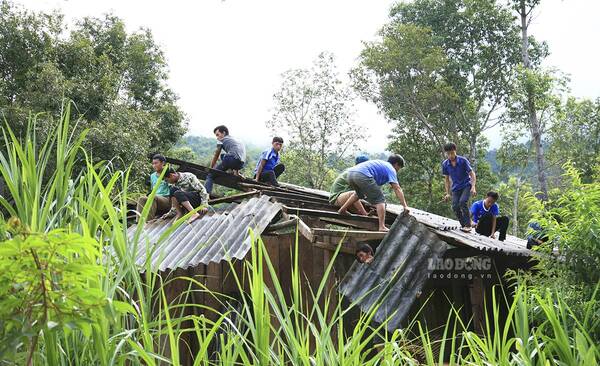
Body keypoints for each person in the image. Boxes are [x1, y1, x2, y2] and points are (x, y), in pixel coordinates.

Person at [338, 155, 409, 232]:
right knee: (380, 200)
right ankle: (382, 226)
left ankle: (343, 209)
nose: (398, 170)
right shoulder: (391, 169)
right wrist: (405, 206)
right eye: (399, 168)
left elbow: (373, 188)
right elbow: (397, 188)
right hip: (362, 175)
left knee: (358, 194)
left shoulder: (381, 165)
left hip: (350, 174)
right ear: (396, 164)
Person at [442, 142, 477, 233]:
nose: (450, 155)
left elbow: (472, 174)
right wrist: (448, 193)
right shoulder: (445, 164)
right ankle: (464, 224)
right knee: (455, 206)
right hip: (456, 188)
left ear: (455, 151)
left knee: (462, 202)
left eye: (452, 153)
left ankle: (468, 225)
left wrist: (473, 187)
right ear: (446, 153)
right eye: (448, 154)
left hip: (466, 185)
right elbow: (446, 179)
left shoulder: (463, 161)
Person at [205, 125, 247, 194]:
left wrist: (211, 168)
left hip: (231, 160)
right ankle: (235, 172)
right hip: (241, 164)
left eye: (218, 135)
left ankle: (206, 195)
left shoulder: (222, 140)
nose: (217, 138)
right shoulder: (236, 140)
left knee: (210, 176)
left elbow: (216, 154)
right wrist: (237, 172)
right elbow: (238, 155)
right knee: (223, 155)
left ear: (223, 133)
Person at [136, 154, 172, 221]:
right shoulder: (152, 176)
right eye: (153, 163)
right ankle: (138, 221)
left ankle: (149, 221)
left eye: (156, 163)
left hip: (166, 199)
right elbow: (153, 189)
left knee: (152, 196)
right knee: (142, 198)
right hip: (155, 198)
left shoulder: (168, 173)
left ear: (163, 163)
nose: (154, 165)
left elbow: (173, 188)